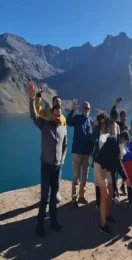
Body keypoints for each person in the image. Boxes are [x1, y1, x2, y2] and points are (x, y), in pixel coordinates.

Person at [27, 82, 67, 238]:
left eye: (59, 112)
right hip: (46, 165)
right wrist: (33, 99)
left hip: (57, 166)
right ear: (52, 112)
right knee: (44, 197)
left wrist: (62, 160)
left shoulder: (62, 127)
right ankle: (40, 225)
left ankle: (54, 222)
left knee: (53, 196)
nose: (57, 114)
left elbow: (65, 144)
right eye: (55, 111)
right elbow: (33, 115)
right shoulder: (44, 124)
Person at [94, 131, 131, 234]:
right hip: (100, 167)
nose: (125, 146)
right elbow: (116, 163)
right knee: (104, 194)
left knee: (111, 192)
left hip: (107, 169)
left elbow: (116, 164)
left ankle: (107, 215)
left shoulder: (118, 145)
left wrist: (118, 181)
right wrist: (125, 178)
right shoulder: (113, 140)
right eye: (126, 143)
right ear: (124, 140)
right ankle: (102, 224)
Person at [35, 84, 66, 203]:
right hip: (48, 152)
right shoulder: (47, 113)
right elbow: (37, 110)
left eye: (60, 103)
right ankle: (45, 195)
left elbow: (64, 135)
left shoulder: (63, 118)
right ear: (53, 103)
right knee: (46, 176)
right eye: (57, 102)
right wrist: (38, 95)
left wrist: (63, 152)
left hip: (58, 153)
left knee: (58, 175)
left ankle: (56, 192)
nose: (59, 104)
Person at [66, 99, 93, 207]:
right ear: (82, 108)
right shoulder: (77, 118)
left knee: (85, 176)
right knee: (76, 176)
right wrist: (72, 110)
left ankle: (81, 196)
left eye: (88, 108)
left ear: (90, 110)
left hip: (87, 154)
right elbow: (68, 122)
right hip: (77, 152)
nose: (86, 109)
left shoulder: (91, 121)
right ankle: (74, 199)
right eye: (84, 107)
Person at [92, 112, 110, 211]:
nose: (103, 124)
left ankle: (103, 200)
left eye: (104, 122)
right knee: (98, 182)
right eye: (101, 122)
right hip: (97, 161)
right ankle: (98, 202)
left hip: (105, 161)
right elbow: (92, 141)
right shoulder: (96, 131)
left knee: (104, 181)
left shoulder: (107, 133)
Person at [108, 98, 122, 203]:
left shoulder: (117, 126)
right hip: (109, 153)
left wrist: (120, 152)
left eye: (115, 117)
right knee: (111, 174)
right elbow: (112, 110)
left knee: (115, 174)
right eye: (113, 117)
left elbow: (119, 139)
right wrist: (115, 104)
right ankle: (113, 193)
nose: (114, 119)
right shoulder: (108, 124)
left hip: (116, 153)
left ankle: (115, 192)